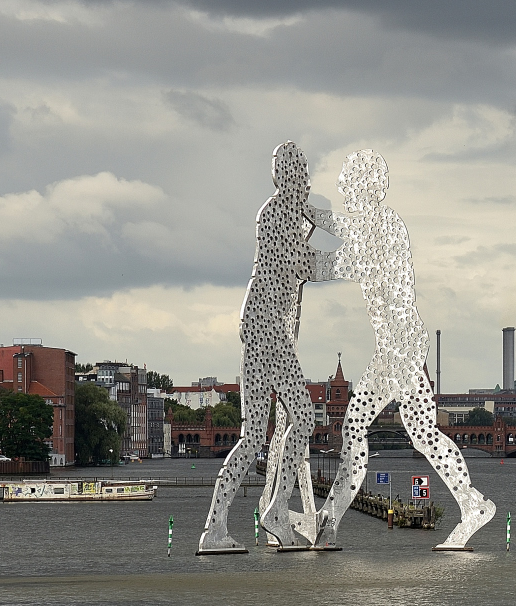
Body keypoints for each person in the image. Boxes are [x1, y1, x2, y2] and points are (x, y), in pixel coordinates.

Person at [313, 149, 496, 550]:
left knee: (355, 427)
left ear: (368, 186)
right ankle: (472, 504)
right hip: (402, 343)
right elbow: (343, 232)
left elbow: (332, 264)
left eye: (349, 183)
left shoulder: (384, 226)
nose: (344, 190)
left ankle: (328, 521)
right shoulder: (374, 224)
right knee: (422, 433)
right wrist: (308, 214)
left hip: (398, 345)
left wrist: (296, 235)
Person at [198, 141, 341, 554]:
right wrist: (357, 253)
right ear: (284, 178)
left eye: (307, 176)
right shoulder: (278, 215)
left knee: (256, 433)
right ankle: (271, 511)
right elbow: (312, 266)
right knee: (296, 420)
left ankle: (219, 526)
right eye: (301, 176)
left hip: (262, 330)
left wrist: (319, 220)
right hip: (268, 334)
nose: (306, 183)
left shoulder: (281, 215)